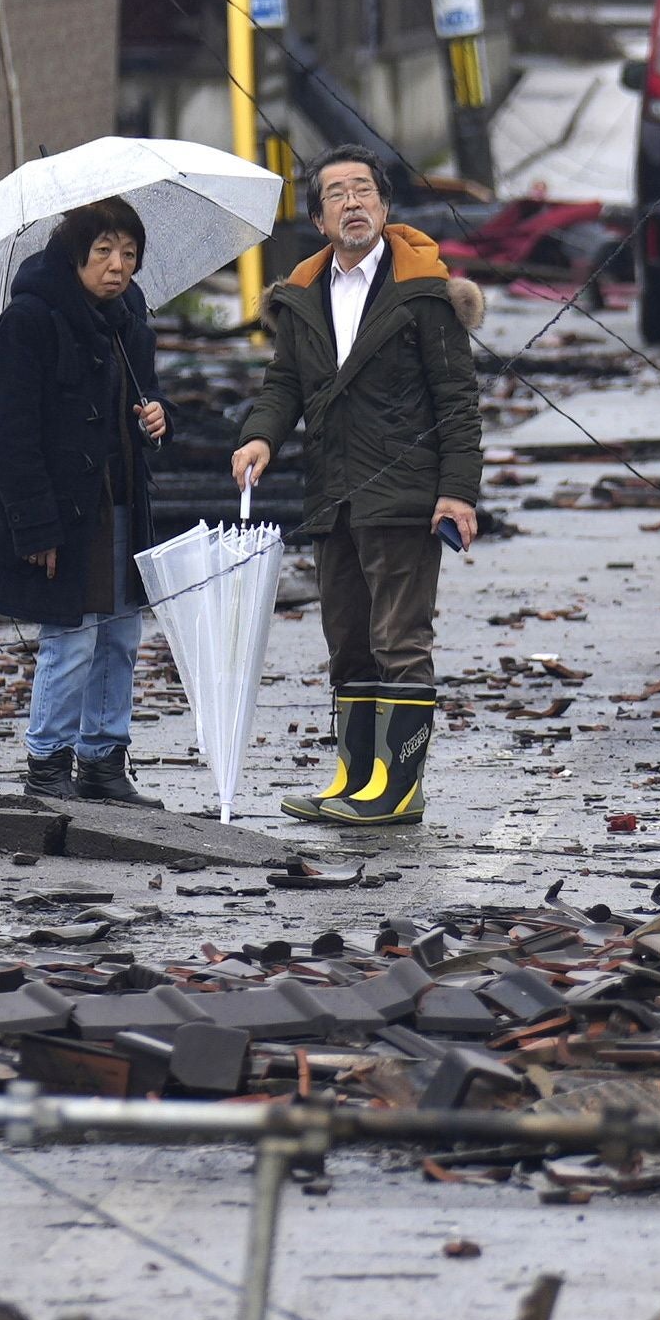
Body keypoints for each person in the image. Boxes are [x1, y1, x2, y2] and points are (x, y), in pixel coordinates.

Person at [233, 144, 485, 829]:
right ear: (318, 218)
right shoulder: (303, 298)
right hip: (333, 493)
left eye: (364, 191)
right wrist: (261, 436)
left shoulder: (422, 294)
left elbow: (457, 400)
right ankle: (356, 777)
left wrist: (457, 491)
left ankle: (399, 788)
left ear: (385, 206)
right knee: (347, 638)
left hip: (403, 494)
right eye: (338, 194)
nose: (354, 203)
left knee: (399, 637)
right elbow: (284, 384)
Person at [0, 196, 165, 802]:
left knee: (121, 634)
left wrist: (159, 417)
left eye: (130, 253)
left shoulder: (129, 313)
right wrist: (35, 529)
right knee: (71, 636)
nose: (118, 266)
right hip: (61, 514)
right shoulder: (30, 320)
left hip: (118, 502)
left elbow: (145, 393)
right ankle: (47, 763)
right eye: (104, 251)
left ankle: (104, 763)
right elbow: (10, 435)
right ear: (74, 254)